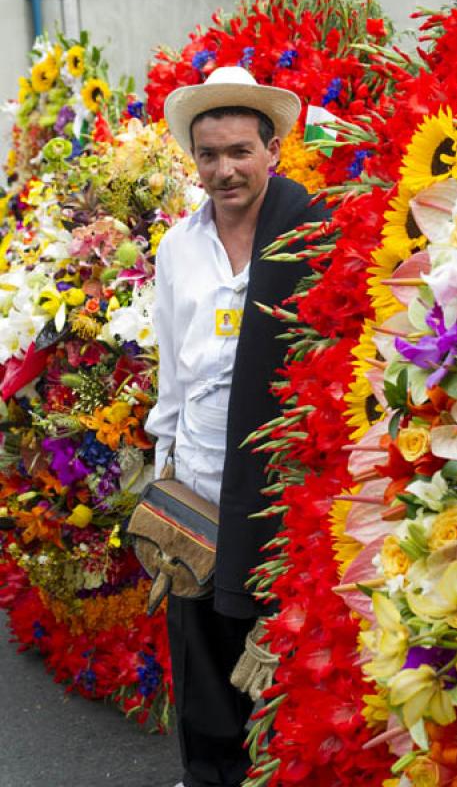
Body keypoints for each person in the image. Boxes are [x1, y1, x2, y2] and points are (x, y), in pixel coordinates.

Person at [145, 66, 330, 787]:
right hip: (194, 485)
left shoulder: (306, 237)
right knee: (205, 674)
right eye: (209, 155)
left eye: (238, 151)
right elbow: (171, 367)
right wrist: (161, 472)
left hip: (277, 498)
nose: (224, 170)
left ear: (273, 149)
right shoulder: (176, 249)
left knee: (277, 665)